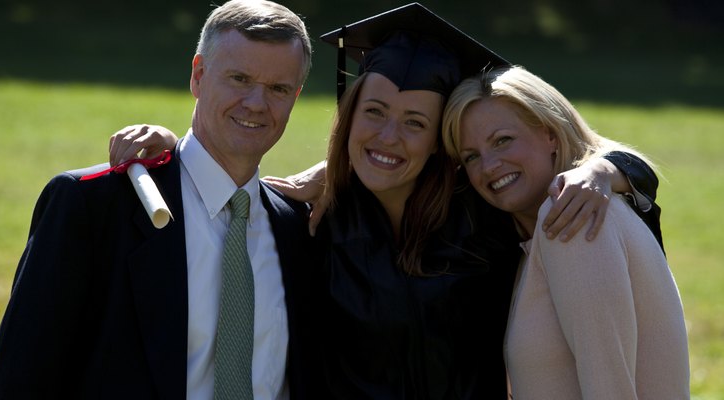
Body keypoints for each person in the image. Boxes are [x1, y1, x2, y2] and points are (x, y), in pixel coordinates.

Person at [107, 4, 663, 399]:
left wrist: (607, 168)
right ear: (348, 117)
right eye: (373, 114)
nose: (387, 137)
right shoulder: (311, 225)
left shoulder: (486, 221)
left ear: (442, 142)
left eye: (415, 123)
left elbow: (565, 164)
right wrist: (173, 150)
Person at [0, 1, 323, 399]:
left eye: (278, 88)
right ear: (198, 76)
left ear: (296, 96)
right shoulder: (92, 207)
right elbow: (20, 381)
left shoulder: (302, 228)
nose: (255, 103)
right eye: (239, 78)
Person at [442, 65, 689, 399]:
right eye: (471, 156)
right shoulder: (537, 236)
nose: (488, 166)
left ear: (551, 135)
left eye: (502, 141)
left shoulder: (573, 216)